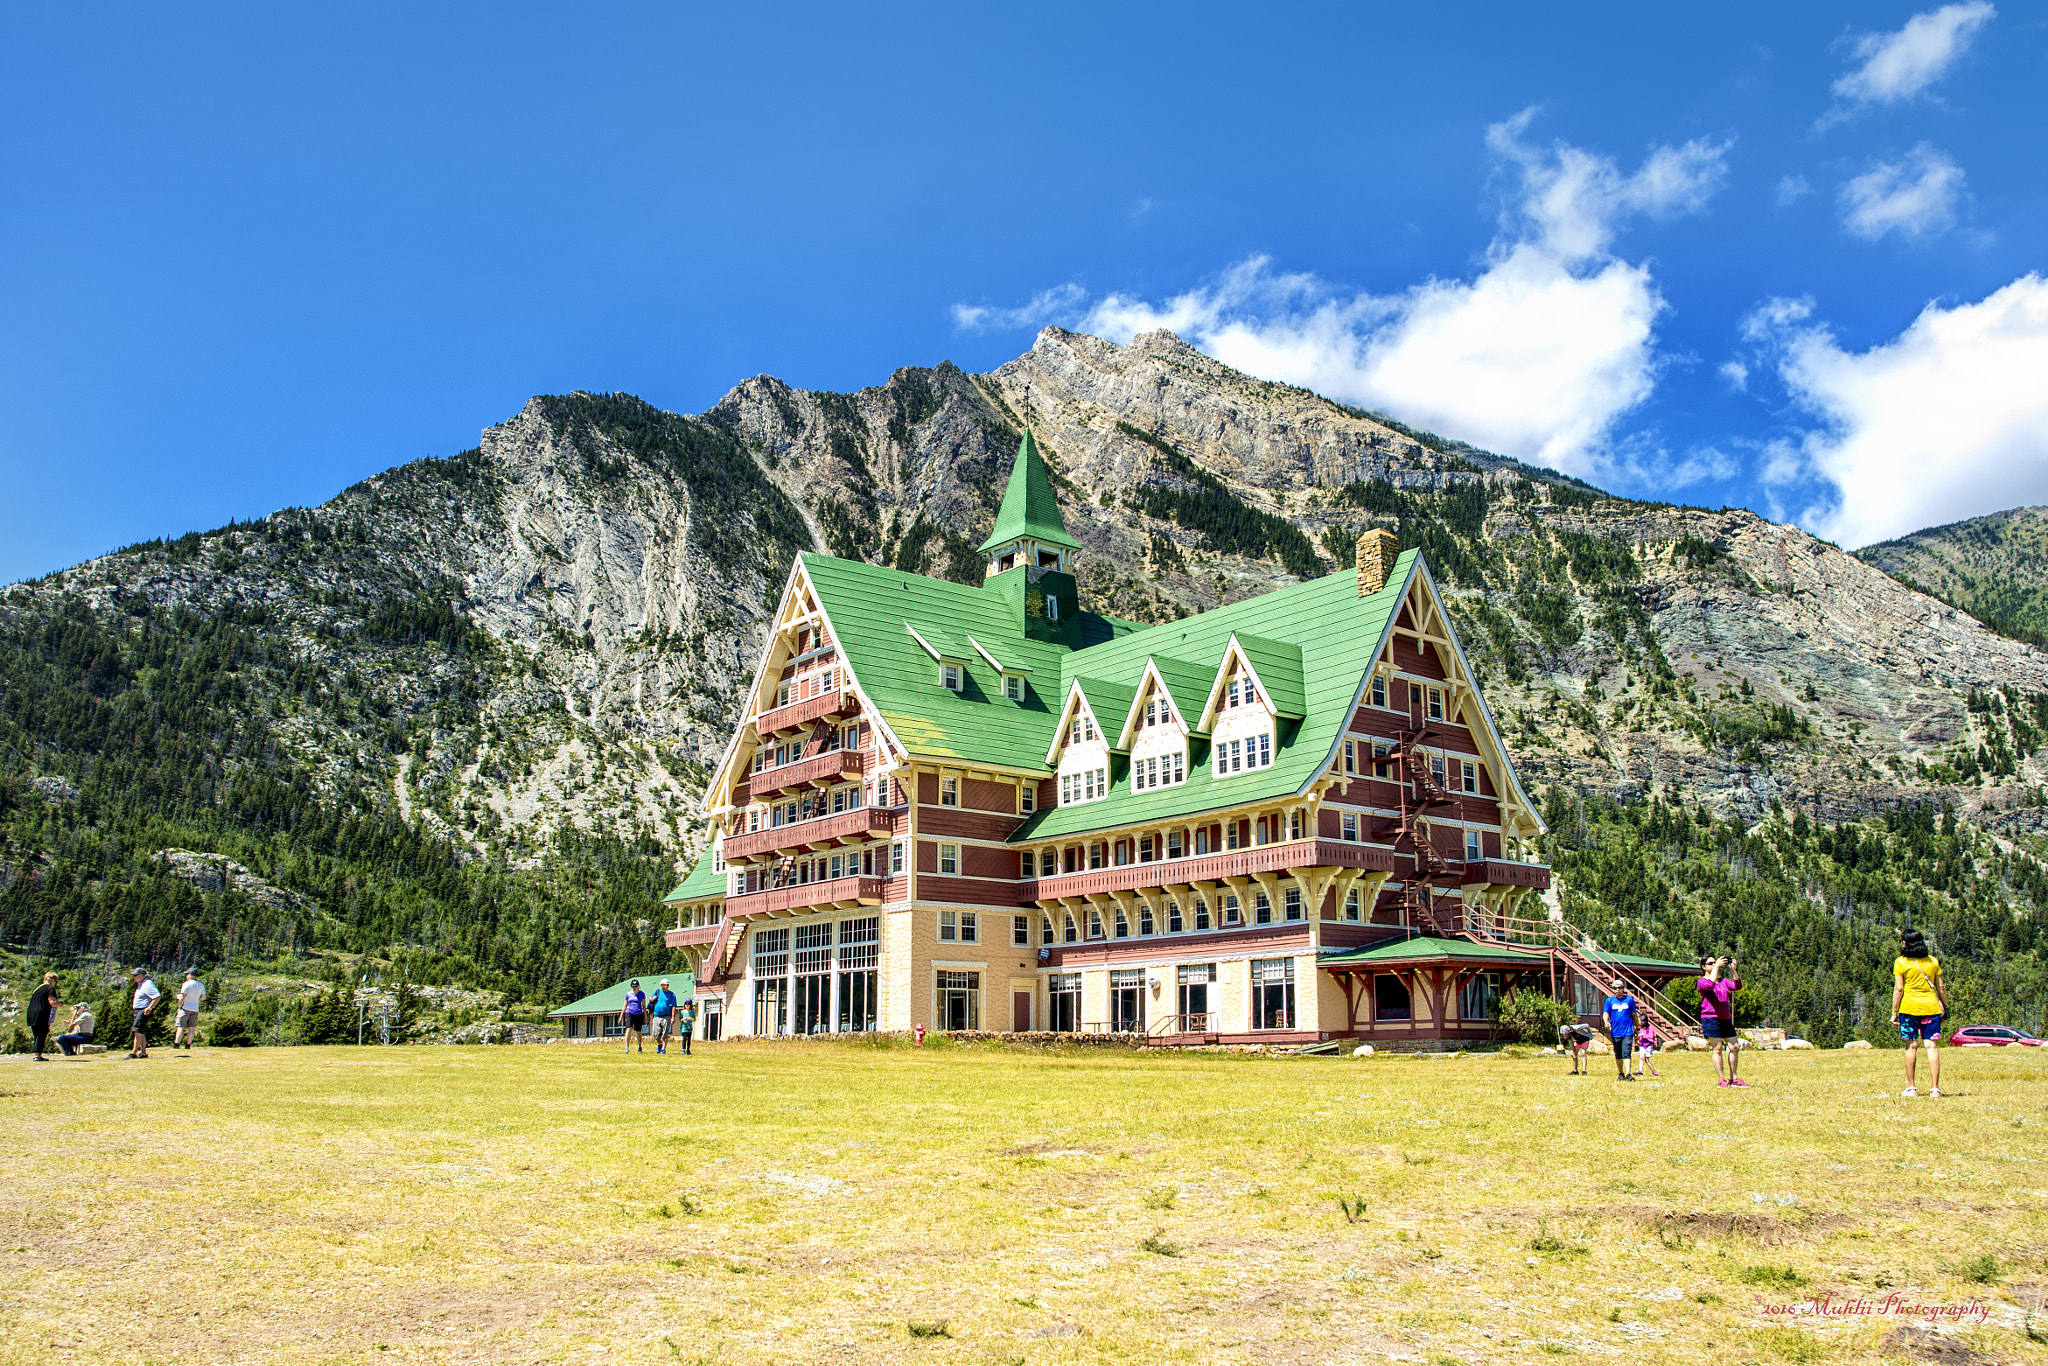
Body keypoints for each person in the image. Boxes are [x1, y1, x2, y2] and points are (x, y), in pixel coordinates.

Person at [1893, 927, 1948, 1098]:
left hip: (1909, 1008)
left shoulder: (1901, 962)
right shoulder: (1933, 962)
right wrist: (1945, 1007)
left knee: (1911, 1046)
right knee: (1931, 1046)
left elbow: (1899, 988)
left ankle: (1911, 1087)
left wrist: (1894, 1011)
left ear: (1905, 943)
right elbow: (1941, 987)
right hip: (1930, 1008)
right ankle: (1935, 1088)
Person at [1698, 955, 1747, 1087]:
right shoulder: (1702, 981)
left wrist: (1734, 971)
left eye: (1715, 963)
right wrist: (1718, 967)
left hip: (1725, 1018)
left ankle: (1734, 1077)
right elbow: (1709, 985)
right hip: (1710, 1018)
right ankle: (1722, 1079)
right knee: (1718, 1048)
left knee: (1734, 1046)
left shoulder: (1723, 981)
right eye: (1710, 963)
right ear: (1703, 967)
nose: (1714, 965)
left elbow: (1737, 986)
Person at [1602, 978, 1638, 1081]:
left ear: (1623, 989)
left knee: (1626, 1052)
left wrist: (1637, 1027)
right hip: (1615, 1032)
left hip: (1627, 1031)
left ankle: (1628, 1074)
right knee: (1618, 1053)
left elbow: (1634, 1014)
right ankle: (1620, 1073)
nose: (1618, 990)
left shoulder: (1629, 1000)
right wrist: (1606, 1022)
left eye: (1620, 988)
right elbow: (1606, 1013)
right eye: (1615, 988)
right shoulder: (1609, 1001)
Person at [128, 968, 162, 1059]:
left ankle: (134, 1052)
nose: (134, 977)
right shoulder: (141, 984)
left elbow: (157, 996)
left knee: (137, 1031)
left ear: (141, 976)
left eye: (136, 975)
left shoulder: (148, 984)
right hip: (138, 1009)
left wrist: (150, 1007)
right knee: (140, 1031)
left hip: (143, 1009)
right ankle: (143, 1052)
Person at [27, 972, 58, 1062]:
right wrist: (60, 1004)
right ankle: (37, 1055)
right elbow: (52, 1002)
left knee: (36, 1034)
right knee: (42, 1033)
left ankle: (37, 1053)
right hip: (42, 1013)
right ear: (52, 981)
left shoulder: (37, 989)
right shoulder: (50, 989)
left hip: (31, 1013)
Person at [172, 970, 206, 1051]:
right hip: (195, 1008)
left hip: (185, 1007)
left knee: (180, 1026)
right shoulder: (201, 985)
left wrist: (180, 1006)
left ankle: (177, 1043)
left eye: (187, 974)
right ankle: (188, 1045)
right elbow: (203, 997)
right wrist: (196, 999)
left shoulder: (186, 984)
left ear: (190, 975)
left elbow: (182, 997)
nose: (186, 976)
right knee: (191, 1027)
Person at [649, 979, 677, 1055]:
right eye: (662, 985)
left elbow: (673, 1006)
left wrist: (673, 1017)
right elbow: (650, 999)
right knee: (656, 1035)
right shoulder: (657, 992)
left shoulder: (672, 995)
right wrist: (653, 998)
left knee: (665, 1034)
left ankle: (663, 1049)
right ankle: (659, 1043)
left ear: (668, 985)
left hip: (666, 1016)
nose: (663, 987)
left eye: (664, 985)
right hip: (657, 1015)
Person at [621, 979, 647, 1054]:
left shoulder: (642, 994)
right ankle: (626, 1047)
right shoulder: (628, 994)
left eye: (635, 986)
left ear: (638, 986)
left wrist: (645, 1017)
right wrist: (621, 1016)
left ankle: (639, 1045)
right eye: (633, 987)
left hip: (639, 1013)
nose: (634, 988)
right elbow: (625, 1005)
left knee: (638, 1031)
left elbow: (644, 1006)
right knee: (628, 1029)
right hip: (629, 1012)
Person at [1635, 1007, 1660, 1078]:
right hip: (1642, 1045)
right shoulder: (1642, 1028)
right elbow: (1641, 1036)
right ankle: (1640, 1071)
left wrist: (1644, 1035)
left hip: (1648, 1045)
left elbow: (1651, 1036)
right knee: (1641, 1058)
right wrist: (1639, 1036)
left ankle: (1654, 1072)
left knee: (1646, 1060)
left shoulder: (1650, 1028)